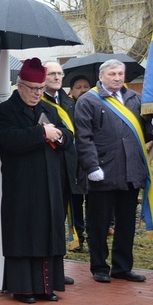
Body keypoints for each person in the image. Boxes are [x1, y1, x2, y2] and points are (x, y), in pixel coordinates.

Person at [0, 58, 73, 303]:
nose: (37, 93)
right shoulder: (3, 111)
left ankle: (46, 287)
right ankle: (24, 288)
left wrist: (58, 137)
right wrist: (41, 132)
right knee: (25, 234)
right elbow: (10, 139)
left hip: (50, 184)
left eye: (40, 88)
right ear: (19, 85)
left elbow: (68, 136)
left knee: (48, 233)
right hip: (22, 185)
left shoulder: (50, 109)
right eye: (32, 88)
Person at [74, 59, 153, 283]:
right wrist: (91, 166)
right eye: (112, 73)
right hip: (102, 172)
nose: (117, 77)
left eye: (120, 73)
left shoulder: (134, 98)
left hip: (130, 172)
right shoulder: (88, 101)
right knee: (99, 224)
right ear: (101, 77)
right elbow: (83, 138)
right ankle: (99, 266)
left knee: (126, 224)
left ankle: (123, 267)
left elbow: (144, 132)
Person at [42, 61, 83, 282]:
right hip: (50, 168)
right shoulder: (39, 101)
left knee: (65, 217)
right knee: (52, 218)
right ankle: (50, 267)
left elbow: (72, 134)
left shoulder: (69, 102)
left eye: (60, 73)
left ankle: (59, 267)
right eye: (52, 74)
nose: (57, 77)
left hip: (70, 168)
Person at [66, 73, 92, 251]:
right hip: (74, 162)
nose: (83, 90)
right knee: (75, 202)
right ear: (72, 91)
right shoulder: (67, 109)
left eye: (86, 87)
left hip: (92, 161)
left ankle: (94, 236)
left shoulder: (96, 106)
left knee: (93, 202)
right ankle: (78, 237)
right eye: (78, 87)